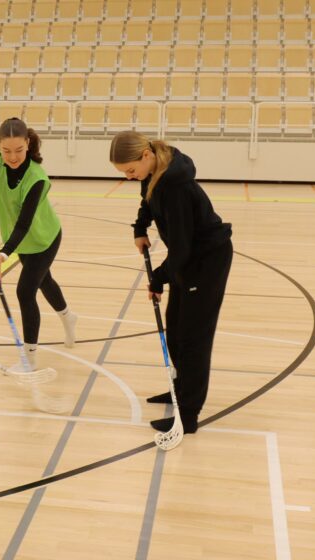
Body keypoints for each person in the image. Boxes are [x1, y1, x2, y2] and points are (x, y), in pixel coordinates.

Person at [108, 131, 233, 435]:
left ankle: (188, 415)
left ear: (146, 155)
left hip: (205, 262)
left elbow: (181, 249)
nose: (129, 177)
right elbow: (147, 202)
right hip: (187, 259)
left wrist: (158, 278)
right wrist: (140, 228)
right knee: (175, 328)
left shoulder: (175, 187)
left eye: (130, 170)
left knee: (193, 339)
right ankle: (179, 388)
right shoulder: (153, 173)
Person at [0, 119, 78, 367]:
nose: (12, 157)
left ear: (28, 144)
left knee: (25, 291)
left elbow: (24, 225)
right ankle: (68, 317)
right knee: (44, 281)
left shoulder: (37, 178)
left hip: (44, 238)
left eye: (19, 150)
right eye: (6, 151)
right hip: (21, 241)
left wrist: (2, 256)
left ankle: (30, 360)